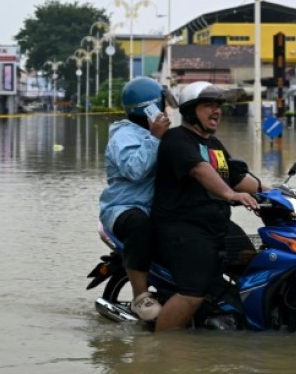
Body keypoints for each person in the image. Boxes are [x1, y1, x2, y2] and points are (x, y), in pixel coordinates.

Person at [151, 81, 261, 332]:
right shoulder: (177, 139)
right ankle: (159, 345)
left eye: (219, 106)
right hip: (184, 227)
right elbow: (200, 170)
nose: (216, 111)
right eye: (209, 105)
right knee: (193, 291)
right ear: (191, 111)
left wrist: (274, 192)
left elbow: (236, 178)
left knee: (251, 262)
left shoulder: (214, 144)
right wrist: (230, 194)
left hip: (216, 224)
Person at [98, 76, 172, 321]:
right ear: (151, 108)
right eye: (162, 105)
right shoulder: (124, 136)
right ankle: (140, 296)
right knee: (139, 225)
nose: (166, 111)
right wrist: (155, 138)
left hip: (155, 208)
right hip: (123, 208)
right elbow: (135, 169)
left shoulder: (160, 134)